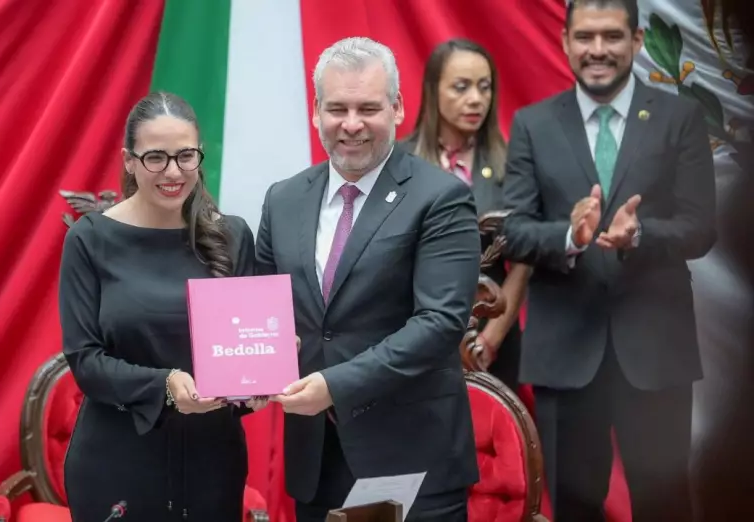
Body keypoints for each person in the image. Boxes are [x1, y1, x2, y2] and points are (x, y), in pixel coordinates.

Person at [499, 0, 716, 520]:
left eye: (613, 37)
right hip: (565, 353)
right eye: (586, 37)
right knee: (574, 506)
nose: (598, 50)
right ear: (566, 42)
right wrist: (570, 237)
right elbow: (515, 232)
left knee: (665, 503)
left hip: (655, 350)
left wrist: (640, 234)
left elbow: (701, 227)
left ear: (637, 42)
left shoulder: (679, 117)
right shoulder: (532, 124)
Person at [256, 37, 481, 522]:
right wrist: (246, 369)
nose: (352, 124)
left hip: (411, 460)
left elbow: (440, 323)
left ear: (398, 107)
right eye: (337, 108)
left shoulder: (440, 197)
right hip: (316, 461)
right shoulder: (283, 199)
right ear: (316, 111)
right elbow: (260, 311)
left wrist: (333, 385)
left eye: (368, 108)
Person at [58, 91, 266, 521]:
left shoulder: (233, 236)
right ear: (129, 161)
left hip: (213, 462)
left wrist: (262, 377)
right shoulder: (91, 239)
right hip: (117, 461)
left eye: (185, 156)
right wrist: (165, 385)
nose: (173, 172)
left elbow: (244, 354)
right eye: (155, 157)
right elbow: (85, 361)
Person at [403, 38, 530, 391]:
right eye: (461, 87)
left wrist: (489, 339)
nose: (476, 98)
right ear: (433, 90)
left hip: (493, 340)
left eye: (484, 87)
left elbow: (522, 263)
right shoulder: (400, 164)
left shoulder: (513, 165)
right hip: (415, 342)